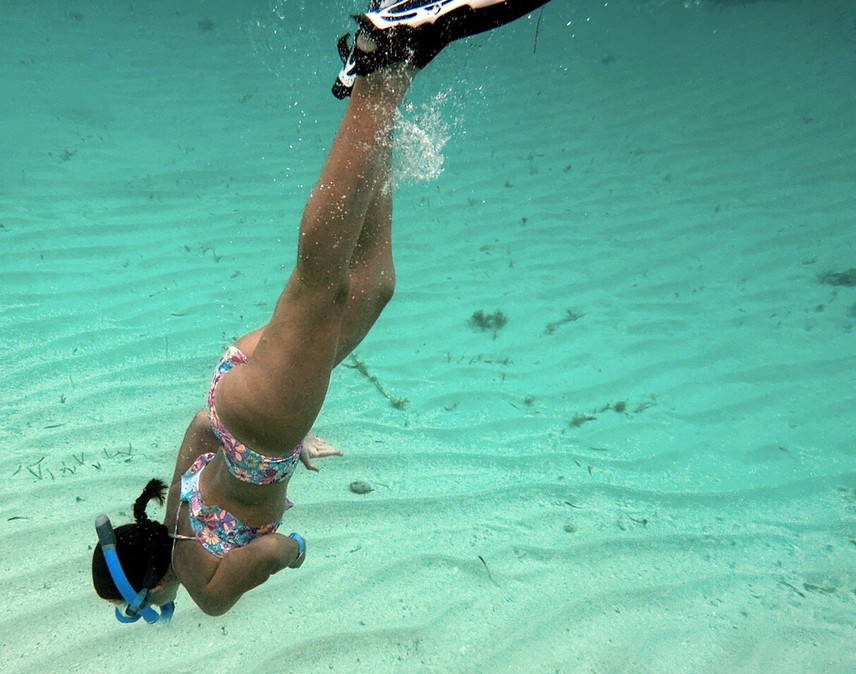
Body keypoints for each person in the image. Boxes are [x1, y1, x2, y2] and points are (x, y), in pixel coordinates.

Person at [91, 0, 551, 621]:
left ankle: (388, 58)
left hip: (266, 426)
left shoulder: (207, 590)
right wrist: (274, 439)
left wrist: (291, 537)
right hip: (238, 395)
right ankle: (377, 100)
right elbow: (203, 428)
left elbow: (278, 550)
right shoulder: (171, 513)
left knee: (320, 284)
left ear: (148, 591)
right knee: (370, 287)